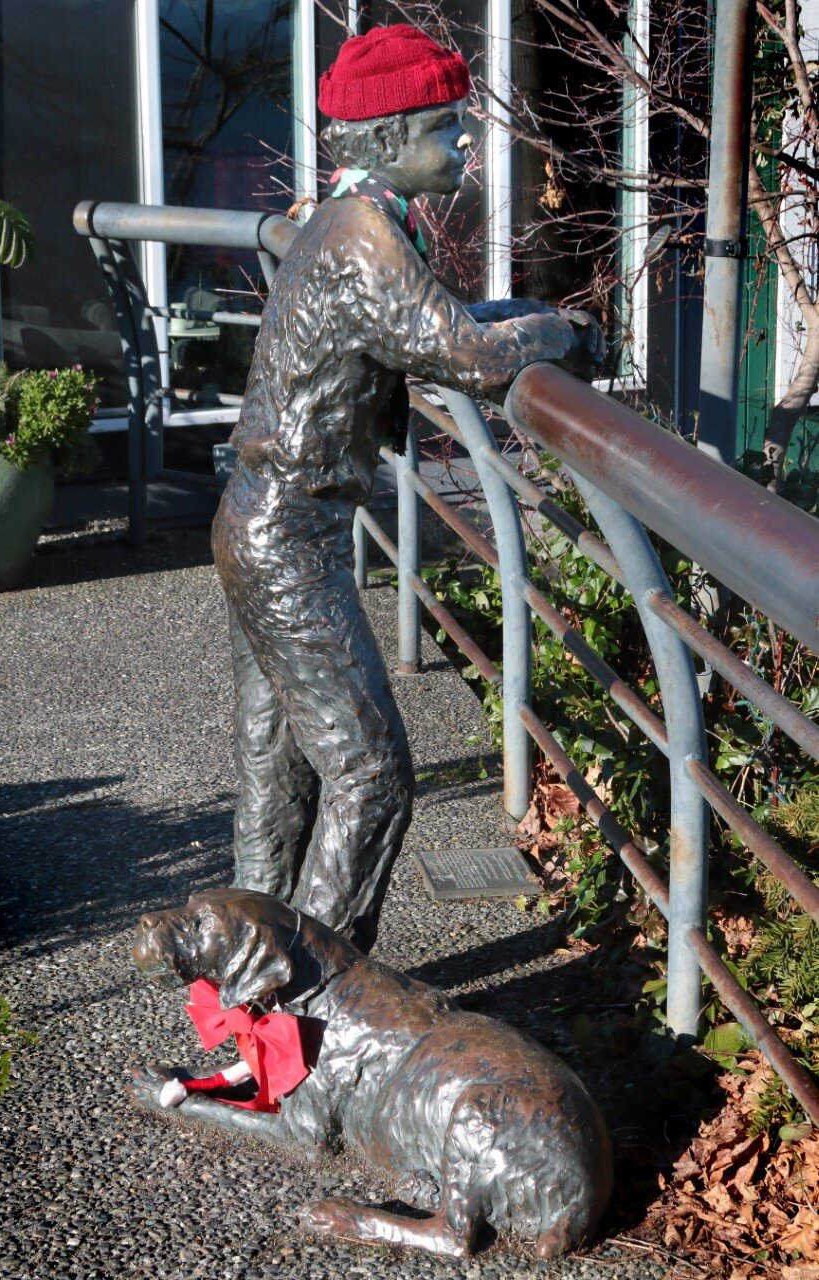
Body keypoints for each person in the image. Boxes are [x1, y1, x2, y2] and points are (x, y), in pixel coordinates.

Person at [211, 23, 603, 953]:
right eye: (448, 128)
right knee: (371, 776)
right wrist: (563, 336)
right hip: (285, 537)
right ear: (387, 142)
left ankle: (248, 995)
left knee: (279, 776)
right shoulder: (360, 238)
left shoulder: (349, 219)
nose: (466, 144)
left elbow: (445, 320)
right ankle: (315, 1007)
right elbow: (462, 351)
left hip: (258, 520)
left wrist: (533, 316)